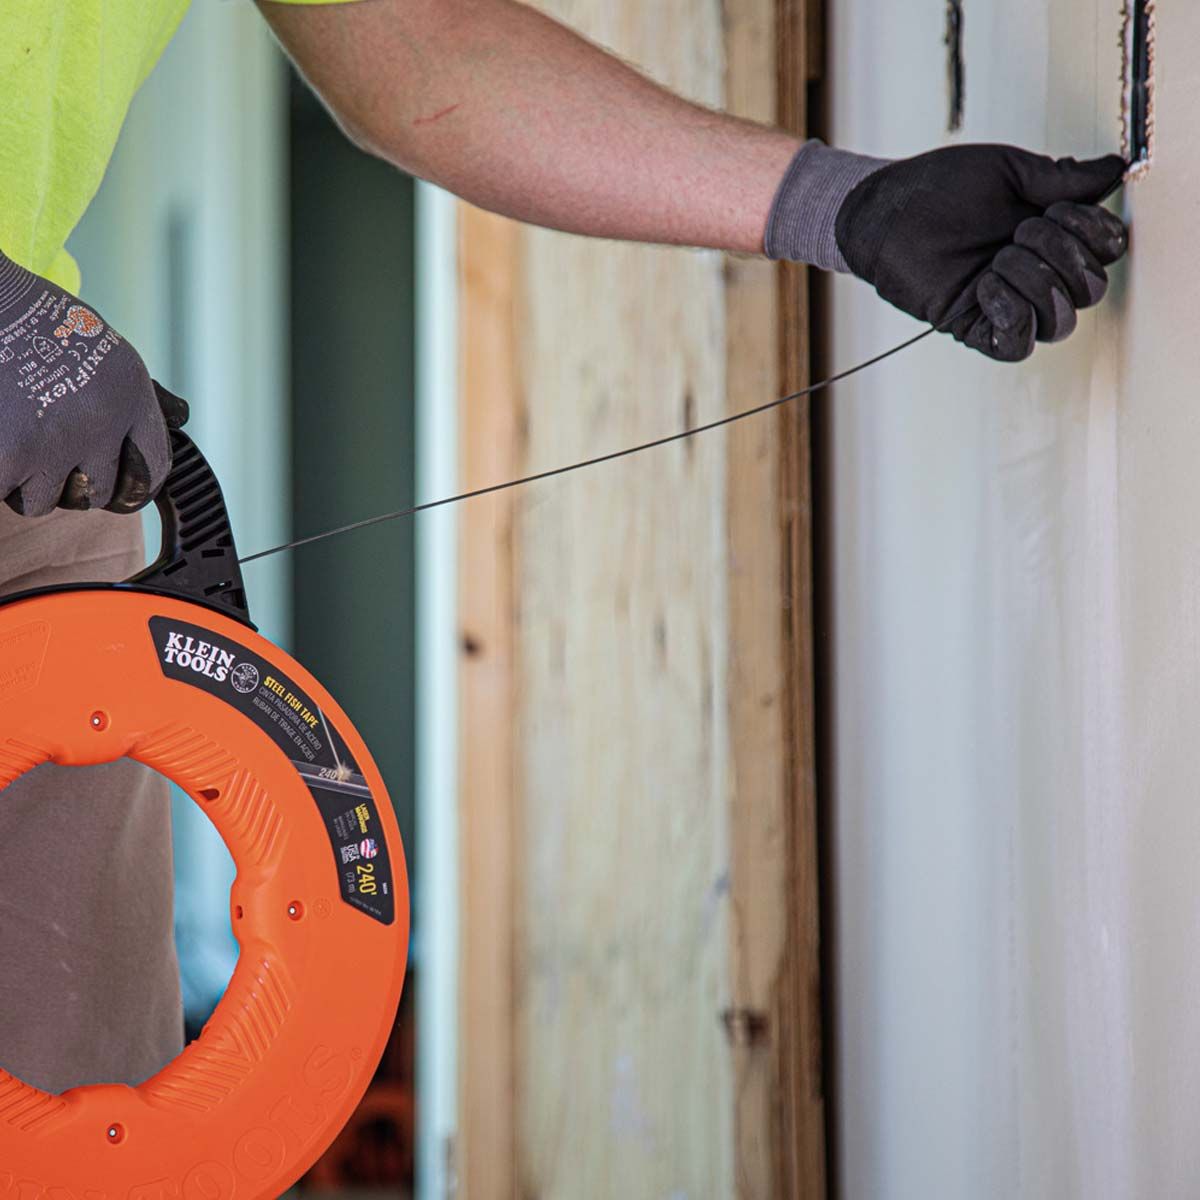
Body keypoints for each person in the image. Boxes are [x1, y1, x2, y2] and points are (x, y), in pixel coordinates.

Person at [0, 0, 1129, 1095]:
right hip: (23, 375)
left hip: (43, 476)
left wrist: (847, 208)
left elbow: (423, 50)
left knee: (85, 1119)